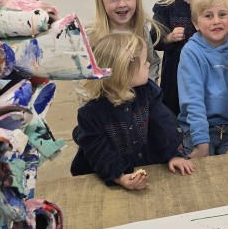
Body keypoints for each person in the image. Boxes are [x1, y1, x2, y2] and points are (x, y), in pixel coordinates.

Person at [70, 33, 194, 190]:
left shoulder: (148, 91)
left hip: (146, 159)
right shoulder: (91, 114)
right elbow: (99, 151)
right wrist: (119, 176)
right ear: (124, 73)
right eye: (144, 63)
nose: (149, 64)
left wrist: (173, 154)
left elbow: (162, 125)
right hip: (109, 169)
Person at [177, 0, 228, 157]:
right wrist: (201, 143)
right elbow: (193, 101)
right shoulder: (191, 52)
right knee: (200, 176)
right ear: (195, 23)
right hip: (197, 129)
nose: (216, 21)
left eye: (222, 15)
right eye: (208, 16)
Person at [153, 0, 218, 115]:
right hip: (175, 71)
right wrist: (169, 38)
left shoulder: (213, 6)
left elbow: (225, 33)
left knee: (202, 108)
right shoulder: (166, 7)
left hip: (205, 69)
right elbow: (155, 40)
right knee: (173, 111)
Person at [85, 0, 161, 83]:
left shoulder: (142, 30)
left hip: (140, 99)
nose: (121, 4)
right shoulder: (92, 35)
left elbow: (152, 63)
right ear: (101, 1)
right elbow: (84, 77)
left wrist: (149, 91)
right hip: (106, 99)